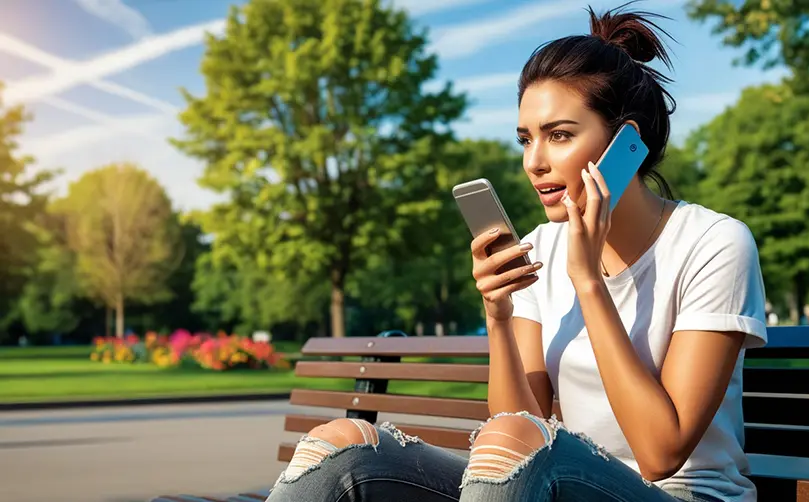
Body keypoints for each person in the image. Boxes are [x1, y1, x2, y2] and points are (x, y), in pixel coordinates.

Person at [265, 5, 767, 502]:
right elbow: (512, 430)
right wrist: (498, 316)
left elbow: (662, 452)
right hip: (557, 489)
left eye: (560, 136)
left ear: (625, 142)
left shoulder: (713, 243)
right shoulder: (539, 247)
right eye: (526, 139)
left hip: (683, 495)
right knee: (340, 448)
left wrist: (588, 281)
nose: (534, 162)